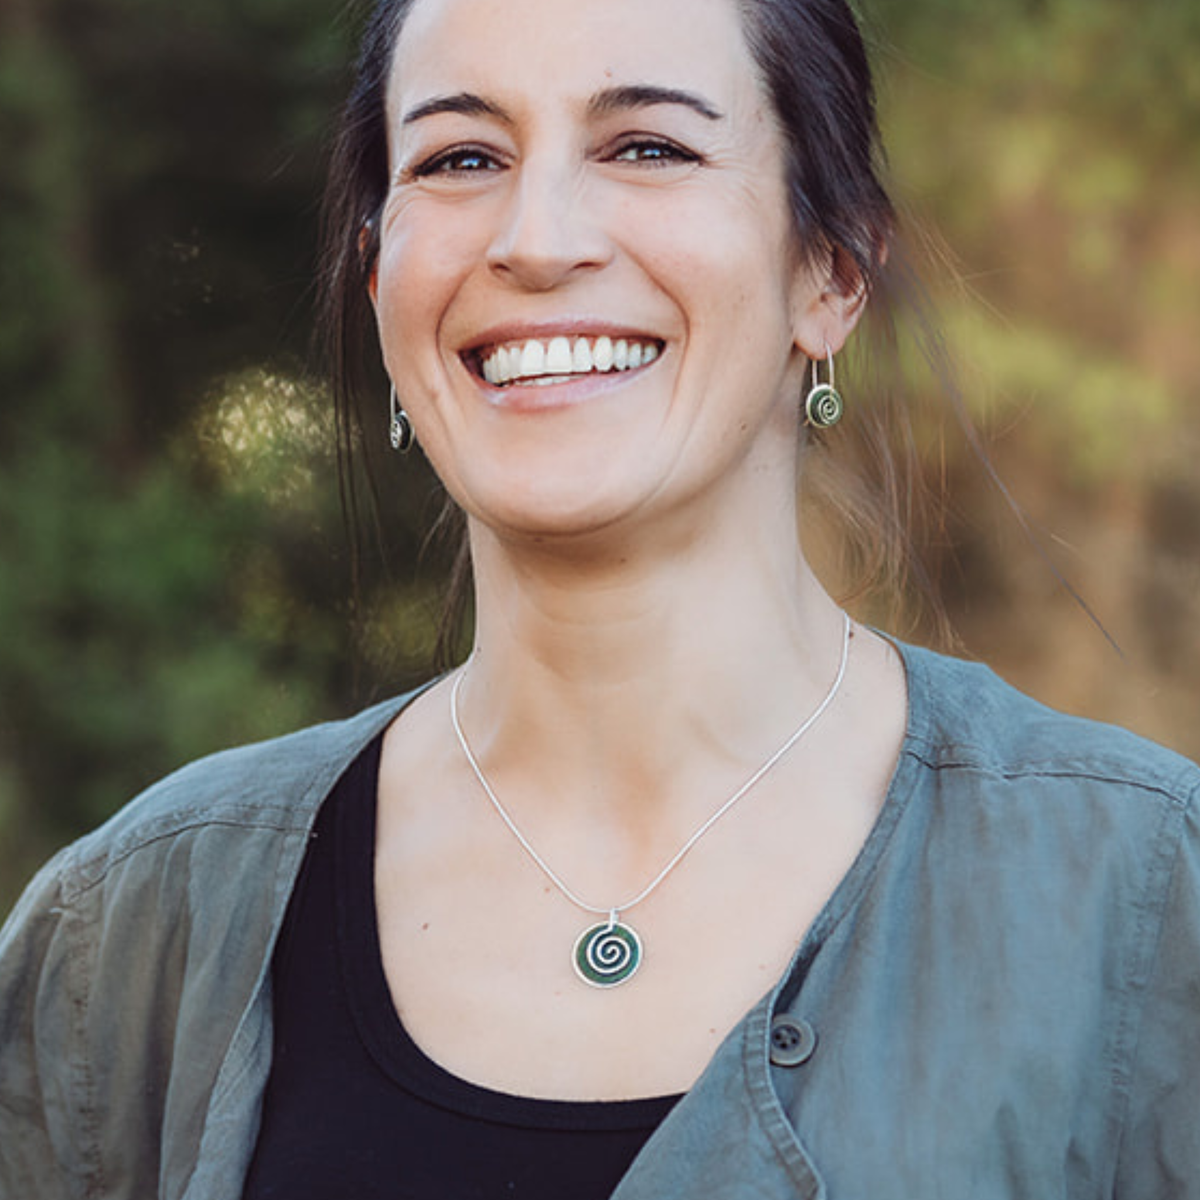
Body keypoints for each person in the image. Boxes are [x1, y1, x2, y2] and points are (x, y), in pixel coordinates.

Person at [1, 0, 1197, 1195]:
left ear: (830, 271)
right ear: (380, 280)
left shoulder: (1146, 901)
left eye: (648, 147)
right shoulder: (132, 936)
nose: (537, 238)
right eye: (462, 157)